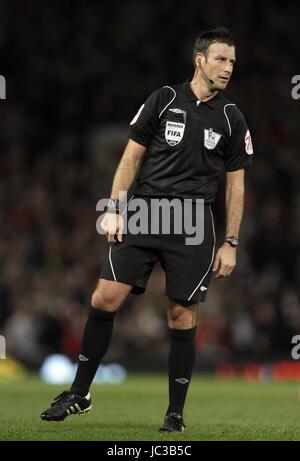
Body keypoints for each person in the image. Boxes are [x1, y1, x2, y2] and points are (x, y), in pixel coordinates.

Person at [41, 27, 253, 432]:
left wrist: (231, 241)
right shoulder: (164, 99)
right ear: (200, 59)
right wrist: (117, 209)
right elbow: (131, 158)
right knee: (104, 297)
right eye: (221, 59)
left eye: (232, 62)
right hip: (145, 212)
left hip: (193, 221)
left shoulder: (232, 117)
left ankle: (175, 414)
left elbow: (236, 184)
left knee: (180, 315)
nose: (228, 68)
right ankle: (79, 393)